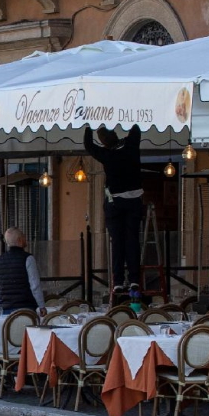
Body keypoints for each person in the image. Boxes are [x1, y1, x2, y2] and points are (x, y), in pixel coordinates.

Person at [84, 125, 145, 292]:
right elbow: (136, 129)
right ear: (116, 134)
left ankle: (118, 281)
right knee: (132, 241)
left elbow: (88, 145)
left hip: (115, 203)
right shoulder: (131, 146)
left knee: (117, 243)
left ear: (103, 142)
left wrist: (89, 126)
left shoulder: (107, 155)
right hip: (134, 201)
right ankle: (134, 280)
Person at [0, 227, 45, 313]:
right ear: (20, 240)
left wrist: (1, 304)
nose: (26, 239)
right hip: (26, 308)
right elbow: (35, 285)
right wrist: (41, 305)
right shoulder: (28, 258)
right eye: (24, 237)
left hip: (5, 309)